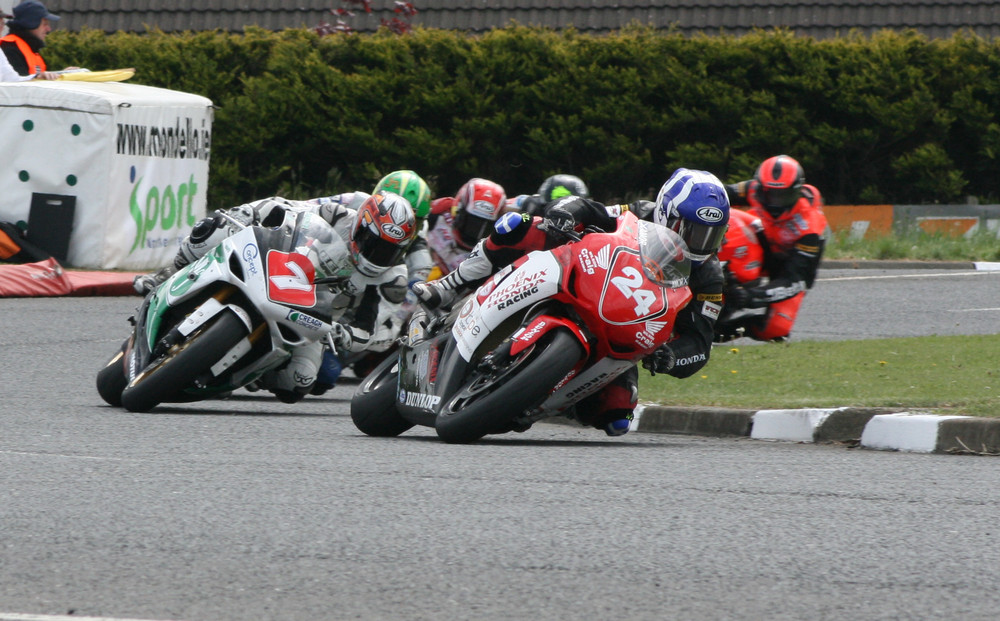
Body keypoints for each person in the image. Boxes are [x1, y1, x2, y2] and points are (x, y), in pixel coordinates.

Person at [413, 168, 730, 436]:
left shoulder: (709, 277)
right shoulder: (640, 212)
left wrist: (671, 357)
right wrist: (565, 213)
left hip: (624, 333)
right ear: (666, 213)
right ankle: (449, 287)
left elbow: (700, 343)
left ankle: (548, 399)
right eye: (689, 230)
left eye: (709, 235)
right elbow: (592, 210)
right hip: (591, 278)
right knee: (518, 227)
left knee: (618, 414)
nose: (698, 243)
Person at [136, 192, 417, 403]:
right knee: (213, 230)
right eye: (373, 243)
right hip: (282, 272)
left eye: (388, 251)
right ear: (361, 226)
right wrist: (248, 216)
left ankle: (243, 372)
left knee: (298, 383)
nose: (376, 255)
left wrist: (344, 335)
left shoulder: (391, 276)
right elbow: (286, 209)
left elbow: (370, 327)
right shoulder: (337, 215)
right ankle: (165, 276)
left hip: (313, 316)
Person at [723, 154, 827, 341]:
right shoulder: (754, 189)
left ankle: (718, 331)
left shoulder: (809, 227)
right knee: (729, 220)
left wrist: (749, 296)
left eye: (783, 195)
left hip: (789, 266)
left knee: (775, 328)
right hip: (758, 240)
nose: (774, 202)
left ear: (796, 191)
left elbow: (795, 281)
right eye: (770, 194)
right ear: (761, 188)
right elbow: (718, 194)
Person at [425, 177, 506, 278]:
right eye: (472, 223)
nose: (477, 232)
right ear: (458, 209)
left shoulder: (493, 253)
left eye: (486, 228)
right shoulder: (440, 210)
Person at [1, 1, 62, 79]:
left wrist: (62, 74)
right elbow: (16, 84)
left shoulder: (31, 48)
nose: (48, 29)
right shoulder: (9, 48)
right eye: (44, 24)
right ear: (31, 23)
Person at [507, 173, 589, 217]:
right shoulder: (531, 204)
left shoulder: (588, 211)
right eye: (557, 199)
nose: (560, 204)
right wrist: (530, 222)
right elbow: (524, 219)